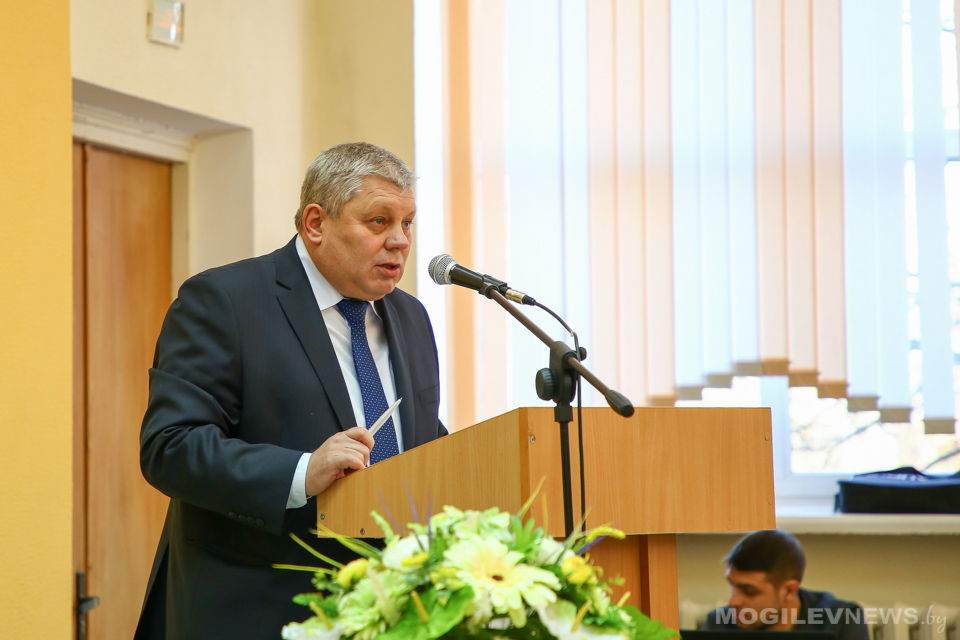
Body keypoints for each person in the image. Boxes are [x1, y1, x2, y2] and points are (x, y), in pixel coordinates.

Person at [134, 142, 446, 639]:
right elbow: (170, 447)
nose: (400, 241)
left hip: (391, 611)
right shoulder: (226, 301)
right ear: (316, 223)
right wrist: (301, 472)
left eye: (407, 223)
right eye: (378, 222)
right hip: (257, 612)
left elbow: (419, 435)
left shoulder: (410, 315)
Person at [703, 530, 869, 640]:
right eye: (733, 586)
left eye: (749, 591)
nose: (734, 601)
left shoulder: (842, 620)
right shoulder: (719, 624)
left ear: (789, 591)